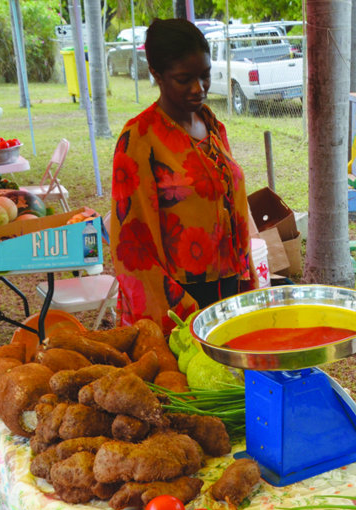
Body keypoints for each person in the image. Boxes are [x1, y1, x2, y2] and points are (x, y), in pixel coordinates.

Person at [109, 18, 259, 335]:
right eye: (184, 79)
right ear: (157, 74)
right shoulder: (139, 138)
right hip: (178, 301)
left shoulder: (213, 125)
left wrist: (245, 284)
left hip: (230, 291)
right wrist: (179, 314)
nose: (198, 88)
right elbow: (132, 245)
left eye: (205, 75)